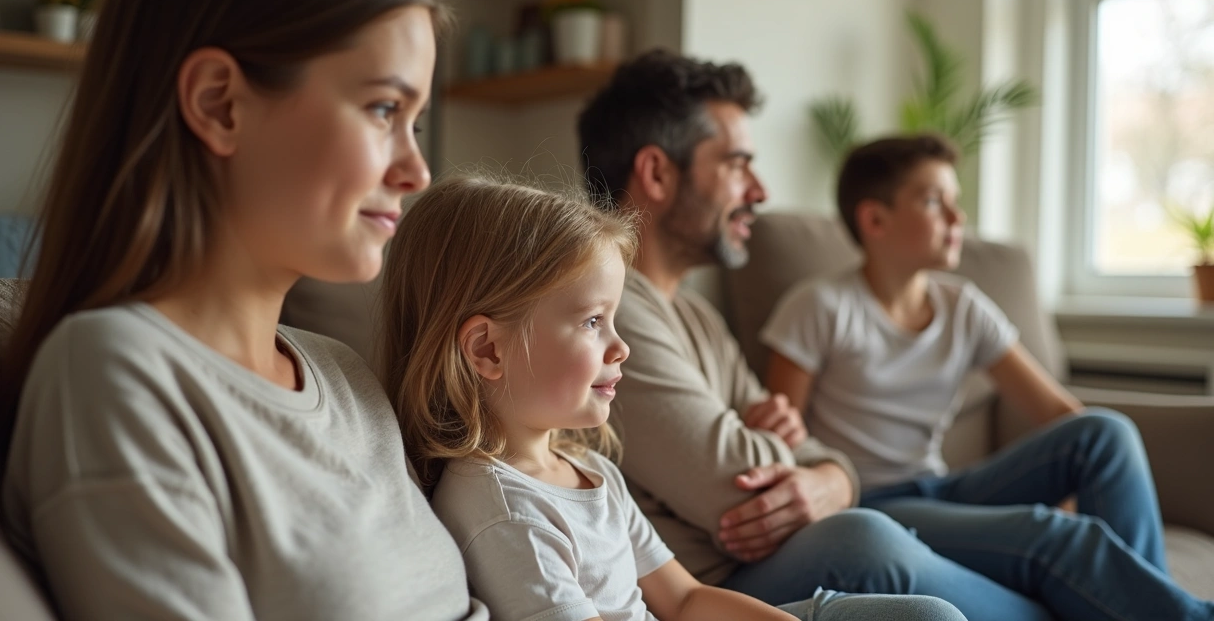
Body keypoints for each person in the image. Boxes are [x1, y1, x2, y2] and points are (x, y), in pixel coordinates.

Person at [576, 48, 1214, 621]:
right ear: (657, 173)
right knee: (867, 537)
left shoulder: (697, 317)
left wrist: (829, 475)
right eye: (738, 164)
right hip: (721, 584)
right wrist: (821, 470)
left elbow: (802, 447)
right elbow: (738, 491)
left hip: (850, 517)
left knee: (1094, 452)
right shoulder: (613, 310)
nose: (761, 191)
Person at [0, 0, 487, 619]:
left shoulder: (346, 375)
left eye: (414, 123)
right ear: (219, 104)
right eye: (383, 109)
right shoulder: (115, 372)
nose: (417, 171)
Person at [378, 174, 968, 621]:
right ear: (488, 350)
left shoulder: (590, 470)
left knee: (929, 616)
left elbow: (684, 599)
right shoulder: (504, 513)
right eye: (592, 322)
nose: (621, 347)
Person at [761, 133, 1214, 620]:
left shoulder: (962, 306)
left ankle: (1146, 601)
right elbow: (782, 439)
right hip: (870, 504)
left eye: (955, 201)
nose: (958, 218)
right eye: (934, 202)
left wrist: (1067, 493)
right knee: (1056, 537)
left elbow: (1059, 414)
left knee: (1104, 433)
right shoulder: (819, 306)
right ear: (874, 219)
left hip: (940, 488)